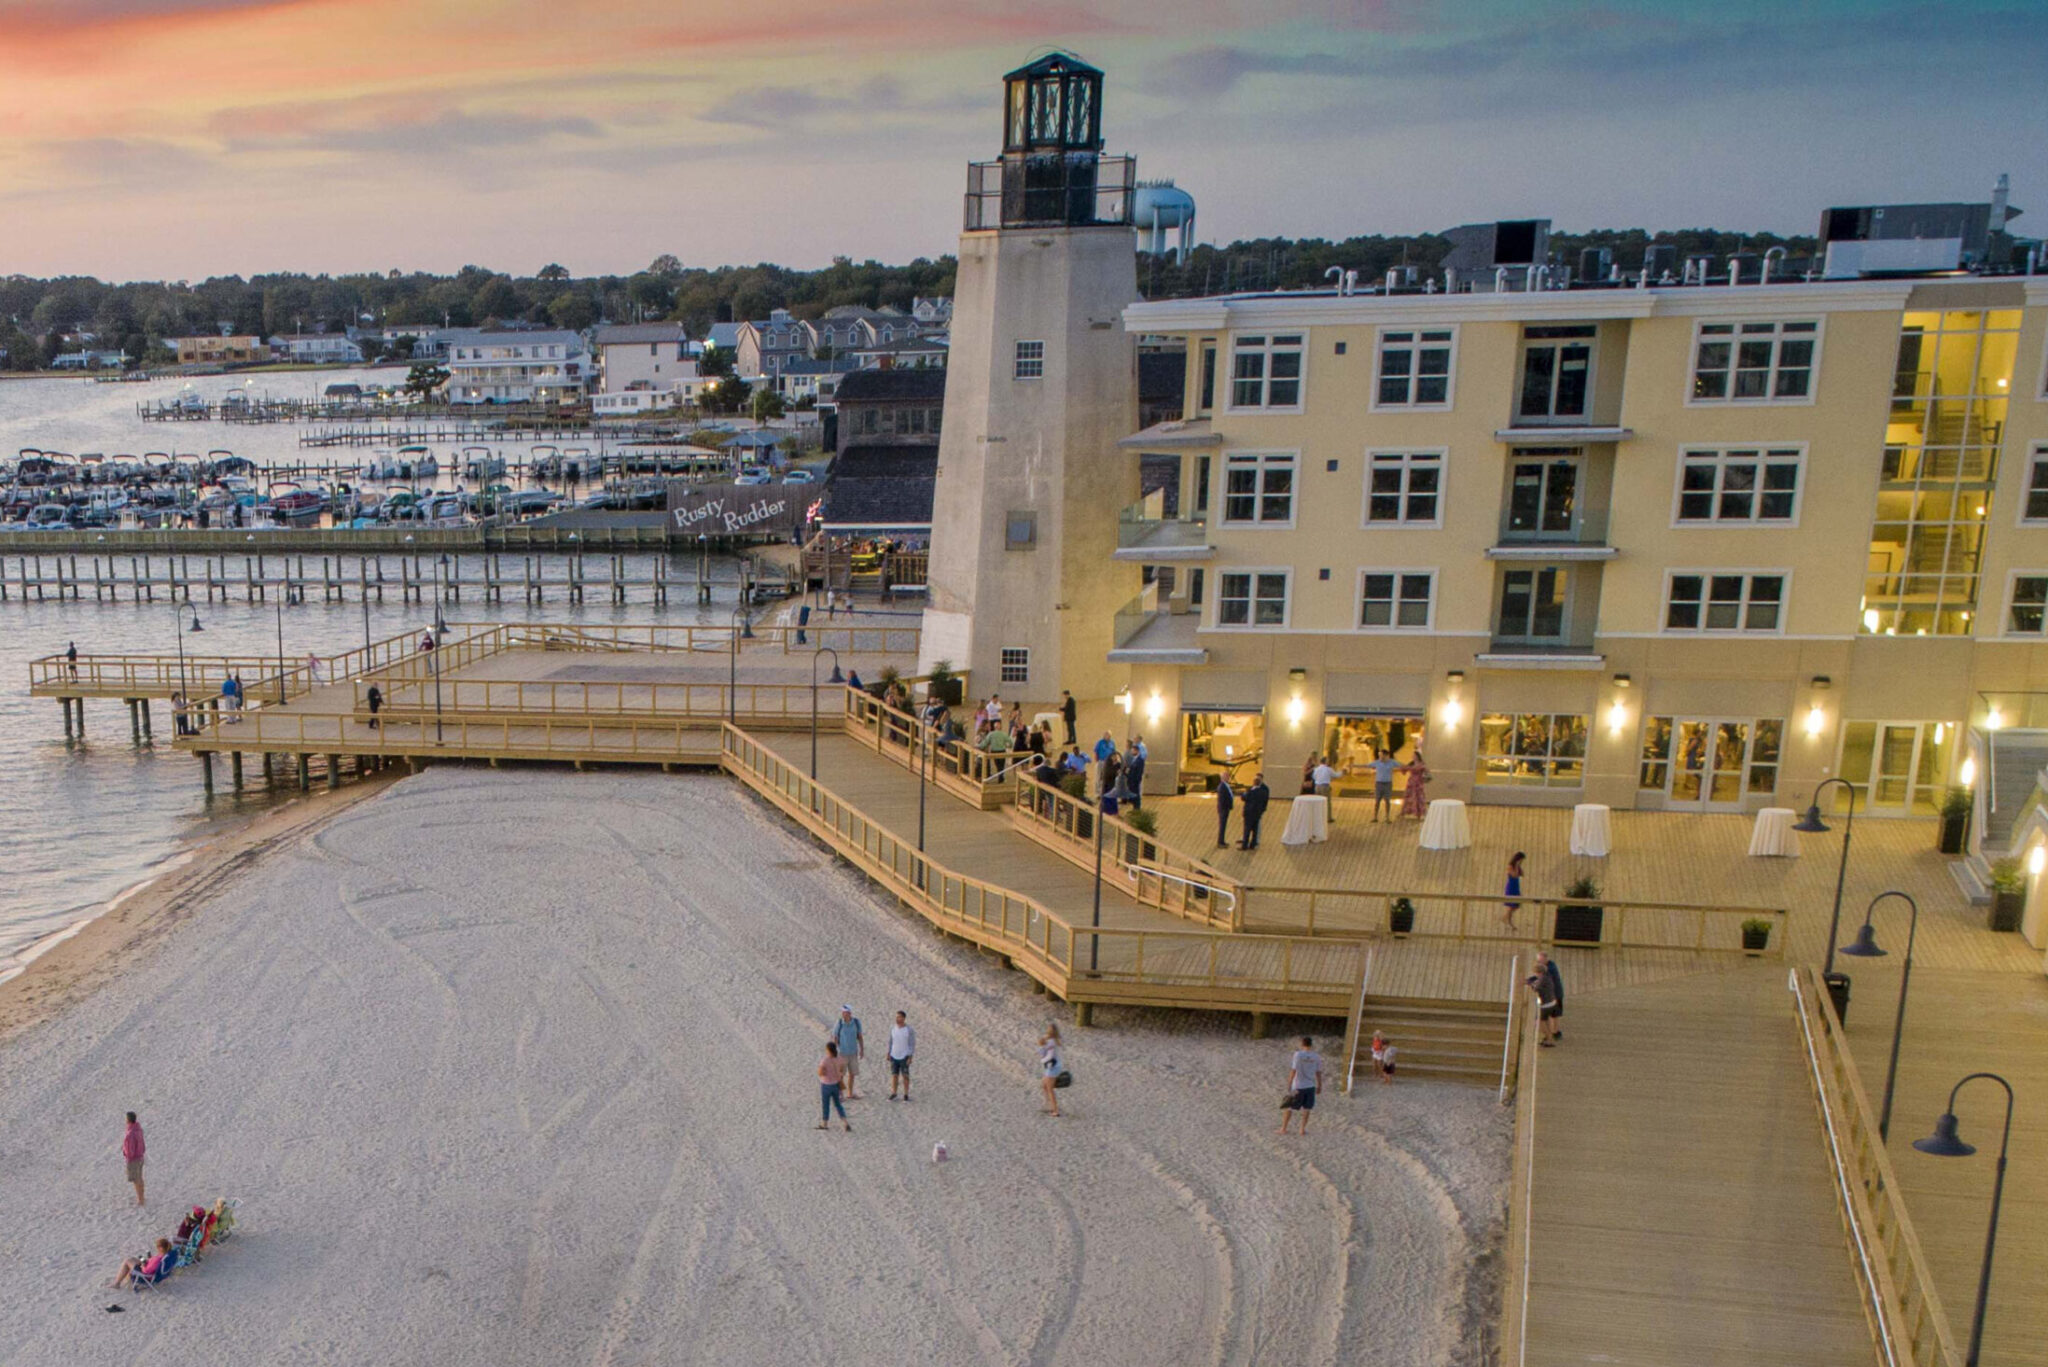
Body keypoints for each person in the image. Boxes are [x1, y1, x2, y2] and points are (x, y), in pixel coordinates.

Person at [1279, 1036, 1323, 1135]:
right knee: (1307, 1108)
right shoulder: (1316, 1056)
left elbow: (1293, 1069)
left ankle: (1283, 1128)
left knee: (1289, 1107)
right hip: (1310, 1086)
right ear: (1311, 1045)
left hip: (1298, 1085)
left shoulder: (1298, 1055)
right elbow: (1318, 1072)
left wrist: (1289, 1083)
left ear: (1302, 1044)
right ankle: (1302, 1129)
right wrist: (1319, 1085)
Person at [108, 1237, 174, 1291]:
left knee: (127, 1261)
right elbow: (152, 1265)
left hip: (146, 1276)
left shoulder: (158, 1259)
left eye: (157, 1247)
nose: (156, 1248)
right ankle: (125, 1276)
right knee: (133, 1259)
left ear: (161, 1248)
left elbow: (147, 1271)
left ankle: (117, 1283)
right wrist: (147, 1261)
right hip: (152, 1269)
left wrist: (143, 1266)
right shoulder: (166, 1256)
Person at [817, 1041, 852, 1131]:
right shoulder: (839, 1058)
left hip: (826, 1084)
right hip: (836, 1084)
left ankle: (825, 1123)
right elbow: (843, 1066)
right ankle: (845, 1122)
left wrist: (824, 1072)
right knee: (838, 1104)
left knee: (826, 1104)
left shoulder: (825, 1060)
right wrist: (840, 1073)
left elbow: (820, 1073)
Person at [832, 1006, 865, 1099]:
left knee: (852, 1074)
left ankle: (850, 1093)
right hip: (842, 1052)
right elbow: (835, 1037)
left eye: (846, 1012)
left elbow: (859, 1036)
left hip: (853, 1052)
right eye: (843, 1012)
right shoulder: (839, 1023)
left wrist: (862, 1050)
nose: (844, 1014)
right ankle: (840, 1094)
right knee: (841, 1074)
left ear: (850, 1013)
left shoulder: (856, 1022)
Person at [1534, 950, 1564, 1044]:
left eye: (1540, 961)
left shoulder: (1549, 969)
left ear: (1546, 959)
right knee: (1553, 1015)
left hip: (1556, 994)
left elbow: (1540, 980)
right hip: (1553, 994)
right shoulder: (1551, 966)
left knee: (1554, 1015)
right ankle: (1553, 1032)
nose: (1539, 962)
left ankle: (1554, 1033)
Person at [1527, 964, 1560, 1047]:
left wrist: (1529, 983)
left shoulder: (1542, 979)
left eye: (1536, 973)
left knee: (1541, 1022)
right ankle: (1548, 1038)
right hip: (1552, 1002)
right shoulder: (1547, 977)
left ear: (1539, 972)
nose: (1535, 974)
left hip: (1546, 1004)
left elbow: (1535, 988)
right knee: (1547, 1021)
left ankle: (1549, 1039)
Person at [887, 1010, 916, 1101]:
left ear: (903, 1018)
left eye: (899, 1017)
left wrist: (910, 1056)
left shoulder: (909, 1030)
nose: (897, 1019)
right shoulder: (893, 1028)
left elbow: (912, 1043)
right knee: (894, 1075)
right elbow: (891, 1041)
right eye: (896, 1017)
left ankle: (906, 1094)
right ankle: (894, 1092)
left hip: (904, 1056)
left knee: (905, 1075)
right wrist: (889, 1052)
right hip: (894, 1055)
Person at [1240, 772, 1270, 850]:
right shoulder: (1263, 792)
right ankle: (1253, 844)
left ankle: (1244, 845)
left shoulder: (1251, 791)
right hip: (1257, 813)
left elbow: (1244, 798)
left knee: (1247, 829)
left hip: (1249, 813)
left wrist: (1243, 793)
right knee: (1255, 830)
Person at [1038, 1024, 1063, 1117]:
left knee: (1049, 1088)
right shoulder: (1053, 1041)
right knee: (1044, 1085)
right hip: (1053, 1066)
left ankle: (1055, 1110)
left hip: (1052, 1067)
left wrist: (1041, 1046)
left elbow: (1046, 1055)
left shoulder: (1051, 1042)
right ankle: (1049, 1105)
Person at [121, 1111, 145, 1206]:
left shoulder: (130, 1133)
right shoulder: (138, 1130)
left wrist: (127, 1156)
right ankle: (142, 1197)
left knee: (136, 1179)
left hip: (133, 1159)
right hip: (140, 1157)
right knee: (140, 1178)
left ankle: (141, 1200)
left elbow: (129, 1148)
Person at [1370, 749, 1399, 822]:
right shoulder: (1377, 762)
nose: (1380, 757)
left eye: (1381, 755)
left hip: (1387, 783)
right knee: (1377, 801)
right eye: (1379, 755)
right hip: (1379, 783)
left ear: (1386, 755)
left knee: (1387, 800)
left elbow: (1401, 765)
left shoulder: (1392, 762)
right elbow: (1366, 765)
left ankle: (1387, 817)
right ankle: (1375, 817)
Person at [1401, 751, 1430, 820]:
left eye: (1414, 755)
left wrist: (1425, 775)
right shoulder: (1411, 763)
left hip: (1418, 783)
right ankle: (1408, 812)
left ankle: (1419, 813)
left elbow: (1426, 771)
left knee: (1419, 797)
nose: (1413, 756)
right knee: (1410, 796)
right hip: (1411, 782)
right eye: (1413, 755)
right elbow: (1404, 770)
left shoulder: (1421, 764)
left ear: (1417, 756)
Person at [1312, 756, 1339, 825]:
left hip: (1317, 786)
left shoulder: (1316, 769)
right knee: (1327, 802)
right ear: (1326, 761)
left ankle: (1317, 817)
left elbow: (1314, 777)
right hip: (1325, 786)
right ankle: (1328, 818)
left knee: (1318, 802)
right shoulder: (1328, 769)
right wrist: (1342, 773)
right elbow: (1336, 775)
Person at [1503, 851, 1526, 927]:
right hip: (1511, 887)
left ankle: (1506, 918)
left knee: (1516, 905)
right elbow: (1515, 875)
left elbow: (1522, 874)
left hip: (1516, 886)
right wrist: (1516, 865)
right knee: (1512, 905)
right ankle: (1509, 921)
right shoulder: (1510, 866)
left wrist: (1519, 867)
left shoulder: (1517, 867)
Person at [1123, 738, 1146, 808]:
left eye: (1133, 750)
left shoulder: (1140, 760)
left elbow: (1139, 771)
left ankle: (1137, 809)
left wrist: (1136, 780)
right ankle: (1134, 808)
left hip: (1135, 781)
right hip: (1131, 780)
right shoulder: (1134, 759)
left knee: (1136, 797)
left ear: (1136, 751)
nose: (1131, 752)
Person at [1215, 774, 1236, 848]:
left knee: (1223, 825)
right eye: (1227, 777)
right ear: (1223, 778)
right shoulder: (1222, 787)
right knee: (1222, 826)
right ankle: (1220, 842)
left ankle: (1222, 841)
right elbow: (1222, 799)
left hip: (1225, 809)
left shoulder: (1226, 785)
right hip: (1223, 809)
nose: (1228, 778)